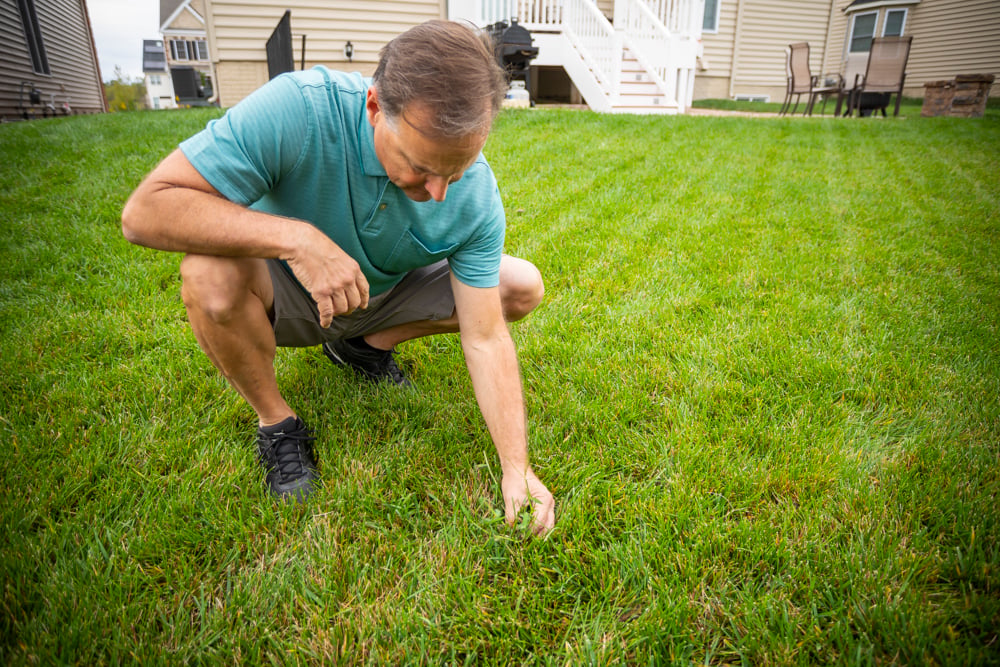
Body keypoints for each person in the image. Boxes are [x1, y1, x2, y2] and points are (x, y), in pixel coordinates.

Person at [121, 20, 555, 535]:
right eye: (420, 166)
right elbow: (145, 212)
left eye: (455, 170)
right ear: (375, 107)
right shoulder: (300, 110)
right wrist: (297, 240)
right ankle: (277, 422)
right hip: (284, 296)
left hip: (381, 296)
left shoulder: (475, 195)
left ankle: (363, 345)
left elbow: (485, 336)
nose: (439, 192)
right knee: (206, 272)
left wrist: (517, 469)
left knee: (519, 283)